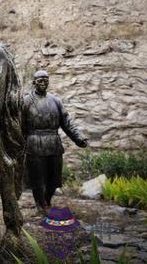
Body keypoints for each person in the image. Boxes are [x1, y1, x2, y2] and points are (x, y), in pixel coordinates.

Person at [22, 70, 88, 214]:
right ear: (34, 82)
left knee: (54, 179)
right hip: (34, 143)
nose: (43, 82)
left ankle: (47, 201)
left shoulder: (56, 100)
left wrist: (78, 138)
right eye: (40, 80)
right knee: (37, 179)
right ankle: (40, 205)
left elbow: (66, 123)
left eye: (46, 79)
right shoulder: (25, 101)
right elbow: (18, 125)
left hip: (54, 143)